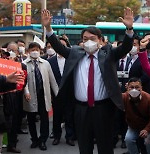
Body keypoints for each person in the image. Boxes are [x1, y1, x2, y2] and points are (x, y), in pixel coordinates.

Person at [42, 7, 134, 154]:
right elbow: (59, 47)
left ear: (100, 40)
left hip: (103, 108)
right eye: (85, 39)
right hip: (81, 109)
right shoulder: (74, 53)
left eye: (92, 39)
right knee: (84, 147)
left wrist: (129, 29)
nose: (88, 42)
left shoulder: (108, 54)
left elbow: (126, 47)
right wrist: (48, 28)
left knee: (105, 147)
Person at [23, 42, 59, 151]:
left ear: (40, 51)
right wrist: (26, 92)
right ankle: (34, 139)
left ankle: (43, 140)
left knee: (44, 119)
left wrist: (57, 94)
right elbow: (23, 81)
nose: (35, 52)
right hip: (30, 96)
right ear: (28, 51)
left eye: (37, 50)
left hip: (44, 95)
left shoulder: (45, 63)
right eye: (32, 49)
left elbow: (52, 80)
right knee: (31, 119)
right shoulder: (24, 64)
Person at [47, 38, 75, 146]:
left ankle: (69, 137)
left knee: (69, 116)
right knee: (57, 117)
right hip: (56, 93)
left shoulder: (71, 60)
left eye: (63, 45)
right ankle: (57, 136)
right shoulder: (50, 61)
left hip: (69, 93)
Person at [123, 77, 150, 154]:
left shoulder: (149, 99)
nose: (134, 89)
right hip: (133, 127)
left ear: (141, 88)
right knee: (128, 139)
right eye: (131, 87)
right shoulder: (124, 97)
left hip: (148, 126)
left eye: (137, 87)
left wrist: (147, 129)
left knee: (149, 141)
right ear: (127, 88)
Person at [0, 72, 24, 154]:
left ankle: (11, 145)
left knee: (10, 122)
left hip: (8, 98)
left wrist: (11, 83)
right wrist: (5, 79)